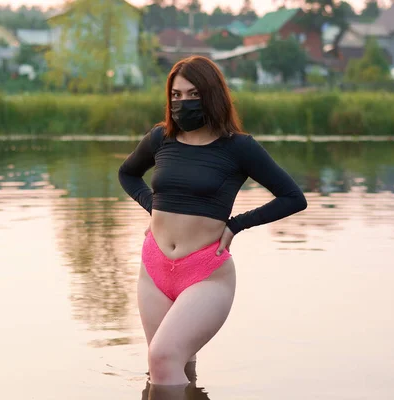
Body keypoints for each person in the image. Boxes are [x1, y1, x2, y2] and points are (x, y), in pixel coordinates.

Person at [118, 56, 307, 389]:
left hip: (205, 272)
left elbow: (293, 197)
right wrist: (154, 207)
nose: (182, 102)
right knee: (170, 366)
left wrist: (235, 226)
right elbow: (128, 174)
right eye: (175, 95)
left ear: (211, 95)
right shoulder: (160, 139)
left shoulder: (238, 148)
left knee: (162, 358)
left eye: (192, 94)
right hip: (154, 267)